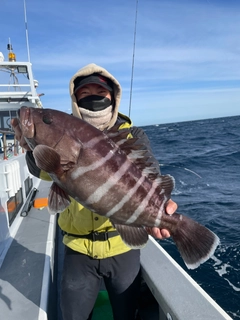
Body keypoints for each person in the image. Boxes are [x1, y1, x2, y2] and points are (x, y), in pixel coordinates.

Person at [12, 63, 177, 320]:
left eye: (100, 92)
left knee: (127, 314)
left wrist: (163, 206)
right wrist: (32, 146)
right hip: (77, 247)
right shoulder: (65, 132)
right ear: (75, 99)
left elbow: (151, 173)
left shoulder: (132, 134)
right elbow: (42, 171)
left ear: (112, 96)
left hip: (121, 245)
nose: (93, 97)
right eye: (84, 93)